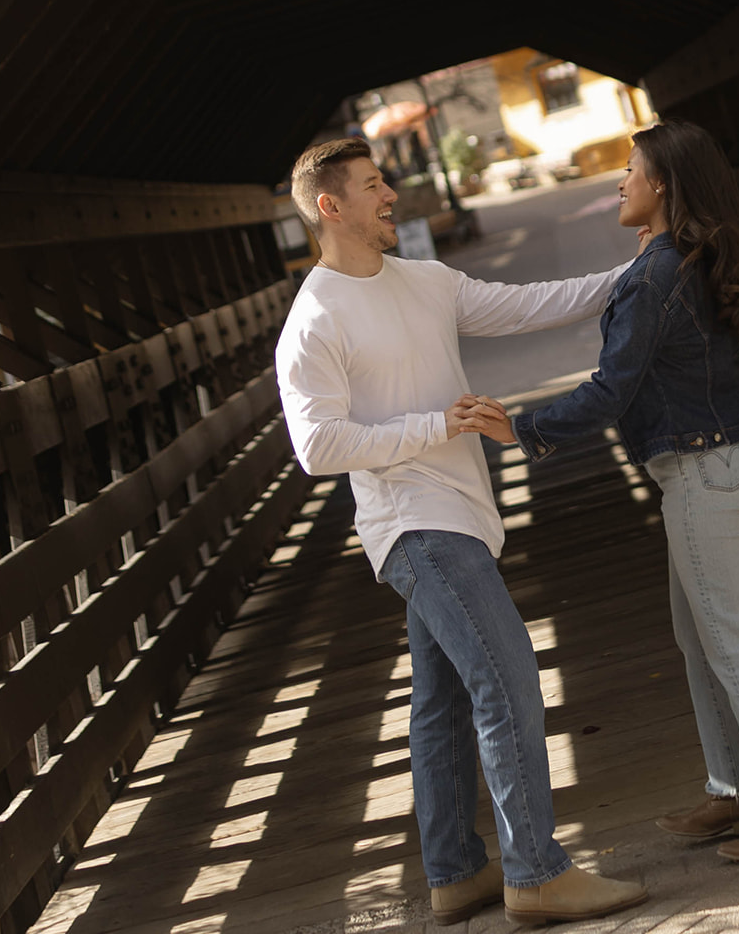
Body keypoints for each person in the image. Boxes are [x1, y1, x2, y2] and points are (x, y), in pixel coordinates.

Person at [275, 137, 649, 927]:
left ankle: (454, 874)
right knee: (508, 677)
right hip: (413, 523)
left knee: (441, 703)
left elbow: (529, 306)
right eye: (374, 185)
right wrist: (428, 426)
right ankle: (536, 872)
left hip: (461, 513)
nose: (391, 196)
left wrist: (640, 272)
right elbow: (316, 447)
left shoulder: (425, 280)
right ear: (329, 206)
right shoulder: (313, 319)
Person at [459, 120, 739, 863]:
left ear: (661, 182)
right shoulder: (668, 263)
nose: (619, 182)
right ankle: (738, 787)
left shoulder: (657, 274)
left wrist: (523, 428)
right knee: (700, 639)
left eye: (629, 170)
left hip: (700, 473)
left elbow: (611, 390)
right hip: (700, 468)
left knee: (731, 640)